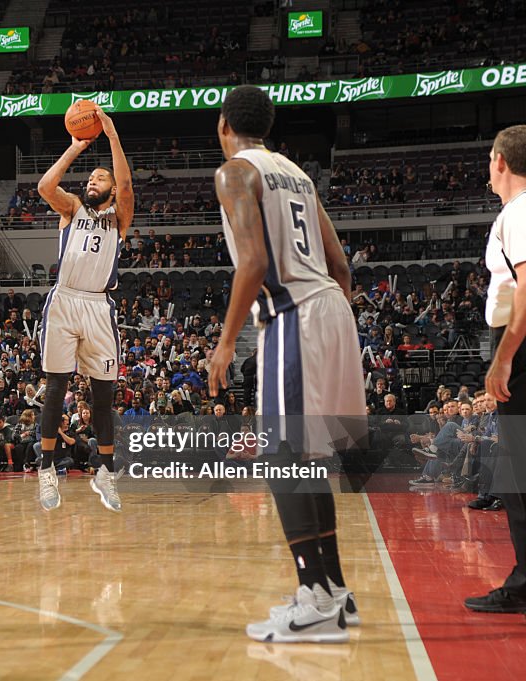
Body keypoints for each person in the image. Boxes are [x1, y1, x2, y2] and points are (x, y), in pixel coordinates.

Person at [206, 86, 364, 643]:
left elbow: (252, 261)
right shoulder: (296, 173)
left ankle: (314, 598)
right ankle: (335, 591)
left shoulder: (234, 173)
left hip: (294, 315)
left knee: (283, 455)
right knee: (309, 456)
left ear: (224, 125)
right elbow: (341, 264)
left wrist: (226, 342)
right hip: (331, 308)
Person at [35, 109, 134, 513]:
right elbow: (45, 185)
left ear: (110, 189)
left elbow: (126, 183)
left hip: (97, 304)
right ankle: (45, 468)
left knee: (103, 394)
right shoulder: (72, 209)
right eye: (91, 178)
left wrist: (111, 135)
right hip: (64, 300)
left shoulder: (119, 218)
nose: (93, 181)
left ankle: (105, 471)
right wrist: (75, 148)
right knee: (56, 387)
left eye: (100, 178)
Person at [468, 124, 526, 614]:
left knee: (518, 476)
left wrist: (504, 357)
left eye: (490, 159)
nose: (488, 168)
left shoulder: (519, 211)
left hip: (520, 345)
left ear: (502, 162)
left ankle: (524, 584)